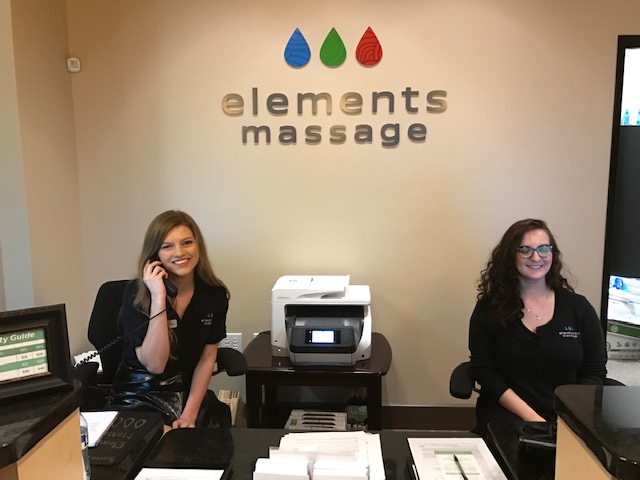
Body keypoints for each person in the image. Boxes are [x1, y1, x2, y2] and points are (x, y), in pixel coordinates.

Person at [468, 219, 606, 436]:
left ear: (552, 254)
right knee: (517, 451)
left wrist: (570, 417)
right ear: (511, 255)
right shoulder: (489, 309)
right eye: (525, 250)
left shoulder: (578, 308)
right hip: (507, 415)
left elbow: (594, 371)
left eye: (543, 249)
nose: (536, 257)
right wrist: (534, 419)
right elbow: (485, 371)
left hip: (568, 417)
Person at [109, 210, 229, 430]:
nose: (179, 252)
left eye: (187, 242)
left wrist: (189, 416)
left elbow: (207, 357)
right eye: (167, 246)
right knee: (160, 441)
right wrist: (158, 297)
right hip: (140, 392)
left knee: (208, 441)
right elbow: (155, 365)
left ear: (198, 246)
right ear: (154, 255)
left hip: (187, 392)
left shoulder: (214, 294)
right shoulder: (136, 294)